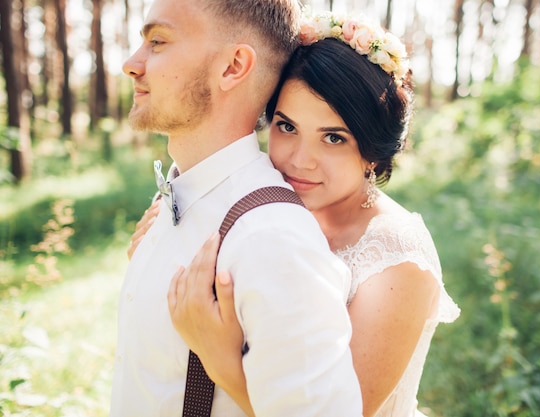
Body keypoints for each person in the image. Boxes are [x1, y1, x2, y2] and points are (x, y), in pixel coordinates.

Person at [131, 11, 461, 417]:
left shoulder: (396, 255)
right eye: (287, 127)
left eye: (334, 138)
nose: (300, 160)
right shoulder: (266, 211)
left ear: (372, 153)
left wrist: (219, 359)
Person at [111, 1, 364, 416]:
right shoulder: (175, 197)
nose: (132, 64)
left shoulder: (273, 239)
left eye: (158, 41)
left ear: (232, 67)